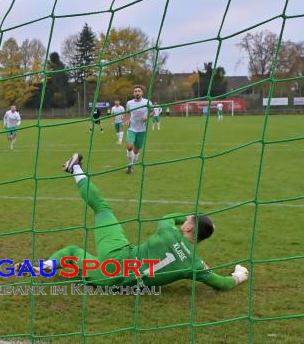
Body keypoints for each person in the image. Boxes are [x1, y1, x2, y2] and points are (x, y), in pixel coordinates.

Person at [15, 153, 250, 291]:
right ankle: (45, 267)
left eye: (187, 221)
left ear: (188, 227)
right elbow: (222, 284)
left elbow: (167, 217)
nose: (183, 223)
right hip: (111, 279)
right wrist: (239, 273)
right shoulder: (196, 265)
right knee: (75, 253)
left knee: (101, 209)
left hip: (117, 255)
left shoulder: (170, 232)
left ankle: (75, 168)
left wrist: (191, 214)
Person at [124, 85, 153, 174]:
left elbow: (152, 112)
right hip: (132, 128)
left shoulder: (147, 102)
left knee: (136, 150)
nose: (137, 92)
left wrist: (147, 116)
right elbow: (127, 113)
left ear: (142, 93)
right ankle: (130, 164)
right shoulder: (129, 103)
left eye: (139, 91)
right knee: (129, 147)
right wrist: (127, 120)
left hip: (142, 130)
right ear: (133, 93)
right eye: (135, 91)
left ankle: (133, 162)